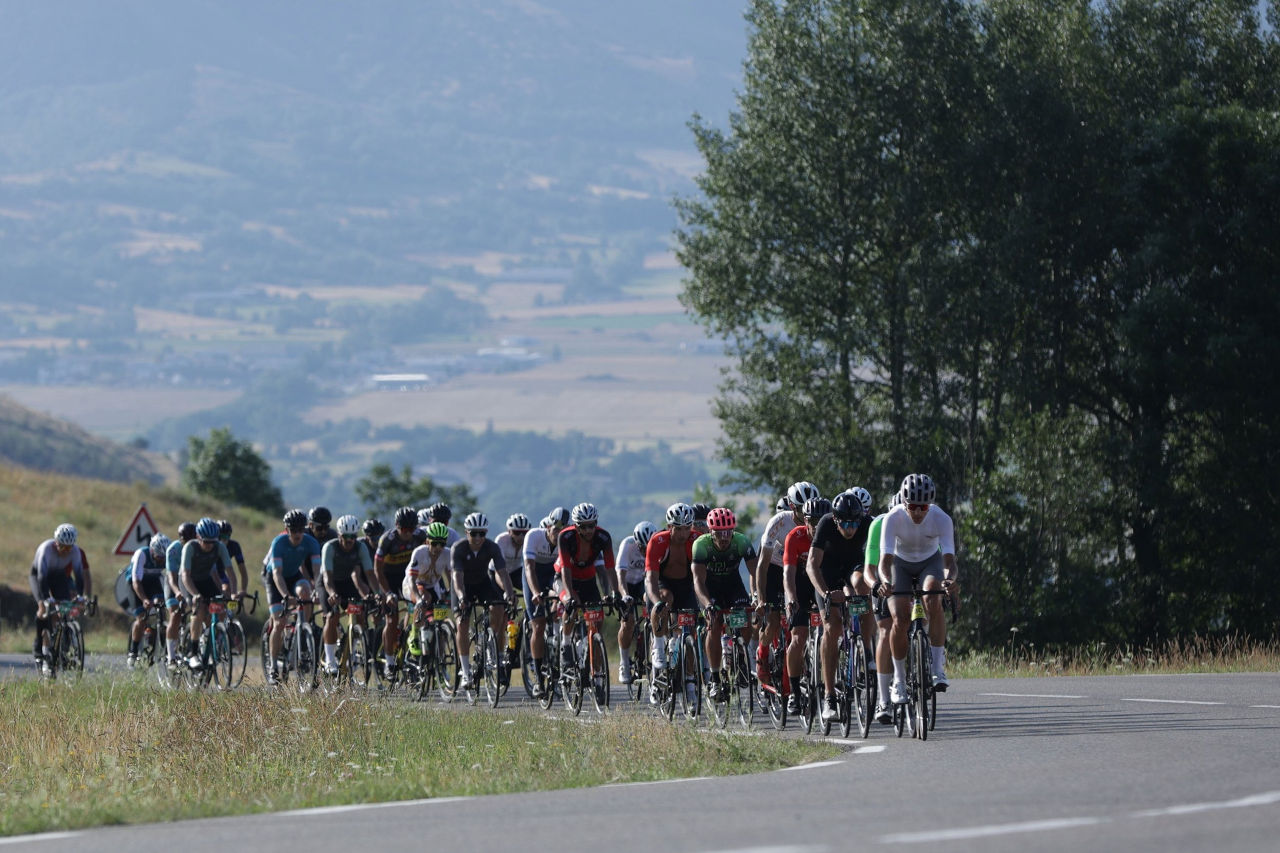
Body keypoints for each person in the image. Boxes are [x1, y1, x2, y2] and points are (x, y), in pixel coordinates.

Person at [878, 473, 959, 704]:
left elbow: (949, 561)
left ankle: (937, 668)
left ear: (930, 504)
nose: (917, 513)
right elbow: (884, 562)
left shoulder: (941, 518)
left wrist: (949, 580)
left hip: (929, 562)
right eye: (912, 506)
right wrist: (885, 581)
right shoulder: (892, 518)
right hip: (900, 564)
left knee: (934, 598)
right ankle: (900, 681)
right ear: (904, 503)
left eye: (923, 507)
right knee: (900, 618)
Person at [807, 491, 872, 722]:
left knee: (863, 587)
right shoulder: (825, 524)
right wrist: (825, 593)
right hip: (828, 571)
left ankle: (866, 652)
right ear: (835, 520)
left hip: (854, 566)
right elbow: (812, 565)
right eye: (845, 523)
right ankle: (829, 695)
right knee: (832, 627)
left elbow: (878, 558)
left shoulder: (868, 523)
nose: (851, 528)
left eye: (855, 522)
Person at [754, 481, 819, 688]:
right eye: (801, 509)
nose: (806, 513)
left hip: (801, 569)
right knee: (773, 620)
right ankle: (762, 653)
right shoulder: (779, 522)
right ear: (792, 507)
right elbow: (762, 565)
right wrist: (761, 598)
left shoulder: (817, 520)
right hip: (774, 569)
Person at [691, 507, 758, 700]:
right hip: (709, 589)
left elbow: (756, 572)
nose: (724, 537)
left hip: (732, 586)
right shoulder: (701, 545)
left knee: (745, 618)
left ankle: (740, 653)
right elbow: (698, 581)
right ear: (710, 531)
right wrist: (707, 605)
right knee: (714, 624)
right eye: (719, 533)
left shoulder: (741, 542)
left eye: (728, 532)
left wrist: (757, 596)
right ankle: (714, 677)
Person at [553, 503, 619, 677]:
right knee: (571, 605)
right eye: (584, 527)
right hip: (565, 578)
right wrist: (570, 596)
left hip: (587, 580)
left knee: (597, 619)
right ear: (576, 526)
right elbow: (565, 569)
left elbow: (610, 568)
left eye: (592, 525)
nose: (589, 530)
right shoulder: (565, 537)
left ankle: (591, 649)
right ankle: (566, 644)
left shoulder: (603, 537)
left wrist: (614, 593)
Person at [451, 512, 515, 690]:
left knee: (500, 608)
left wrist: (509, 594)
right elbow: (457, 576)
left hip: (482, 583)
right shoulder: (459, 548)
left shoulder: (492, 547)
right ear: (466, 533)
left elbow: (502, 572)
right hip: (462, 586)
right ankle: (465, 672)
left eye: (482, 533)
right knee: (462, 623)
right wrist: (462, 597)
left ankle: (490, 643)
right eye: (474, 533)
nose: (478, 538)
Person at [643, 502, 698, 704]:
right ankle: (658, 646)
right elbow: (649, 578)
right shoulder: (658, 542)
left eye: (687, 528)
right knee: (664, 600)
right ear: (669, 527)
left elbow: (702, 575)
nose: (683, 533)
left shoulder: (695, 540)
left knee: (689, 632)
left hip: (686, 585)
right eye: (678, 529)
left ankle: (690, 681)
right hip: (662, 582)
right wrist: (656, 602)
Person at [782, 496, 830, 716]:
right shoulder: (795, 536)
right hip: (800, 586)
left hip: (821, 583)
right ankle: (794, 692)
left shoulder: (831, 535)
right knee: (798, 638)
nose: (815, 526)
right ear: (804, 519)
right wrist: (791, 598)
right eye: (812, 521)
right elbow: (788, 572)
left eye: (821, 521)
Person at [265, 509, 322, 683]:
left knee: (306, 592)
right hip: (275, 579)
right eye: (293, 530)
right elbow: (277, 574)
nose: (297, 534)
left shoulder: (311, 543)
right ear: (286, 529)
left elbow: (317, 572)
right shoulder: (279, 542)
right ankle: (273, 665)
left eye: (300, 530)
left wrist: (317, 592)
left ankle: (302, 629)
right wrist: (285, 595)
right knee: (279, 621)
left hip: (294, 576)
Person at [318, 514, 376, 676]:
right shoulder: (330, 547)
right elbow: (327, 578)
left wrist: (377, 594)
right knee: (332, 615)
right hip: (327, 583)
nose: (349, 540)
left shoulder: (360, 547)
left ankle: (351, 645)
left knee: (361, 612)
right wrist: (332, 594)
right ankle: (330, 660)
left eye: (353, 537)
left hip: (346, 582)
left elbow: (370, 574)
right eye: (346, 537)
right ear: (339, 535)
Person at [522, 507, 569, 697]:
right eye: (556, 530)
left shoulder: (566, 542)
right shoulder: (533, 536)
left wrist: (564, 597)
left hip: (553, 576)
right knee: (539, 625)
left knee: (564, 600)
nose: (558, 535)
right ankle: (539, 681)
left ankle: (560, 652)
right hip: (533, 577)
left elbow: (565, 573)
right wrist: (535, 592)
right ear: (548, 527)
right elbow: (528, 568)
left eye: (562, 531)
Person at [863, 492, 901, 723]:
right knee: (885, 632)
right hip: (885, 579)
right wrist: (876, 585)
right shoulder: (879, 525)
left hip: (910, 576)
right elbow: (871, 566)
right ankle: (883, 700)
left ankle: (924, 648)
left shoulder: (922, 523)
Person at [30, 523, 87, 676]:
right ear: (56, 543)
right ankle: (41, 648)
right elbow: (42, 577)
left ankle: (63, 644)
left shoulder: (75, 552)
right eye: (63, 547)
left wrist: (80, 596)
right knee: (44, 609)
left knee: (65, 609)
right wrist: (47, 599)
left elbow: (79, 576)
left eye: (69, 548)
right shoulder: (46, 549)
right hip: (39, 577)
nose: (65, 551)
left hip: (59, 577)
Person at [374, 506, 425, 677]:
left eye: (411, 529)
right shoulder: (387, 540)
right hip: (388, 579)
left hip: (407, 577)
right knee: (391, 619)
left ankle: (406, 640)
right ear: (397, 526)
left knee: (416, 609)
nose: (408, 534)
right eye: (404, 529)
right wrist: (387, 593)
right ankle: (389, 662)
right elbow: (378, 571)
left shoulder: (420, 536)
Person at [179, 518, 235, 669]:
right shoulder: (190, 547)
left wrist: (233, 594)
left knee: (221, 607)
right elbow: (185, 575)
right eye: (206, 542)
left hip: (205, 579)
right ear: (198, 538)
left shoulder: (219, 547)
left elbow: (231, 572)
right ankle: (193, 652)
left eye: (212, 542)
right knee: (200, 609)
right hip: (188, 581)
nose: (209, 545)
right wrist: (196, 595)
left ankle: (210, 641)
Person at [614, 520, 656, 685]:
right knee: (628, 622)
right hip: (626, 584)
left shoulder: (656, 546)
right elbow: (620, 575)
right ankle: (624, 663)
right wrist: (624, 595)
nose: (645, 551)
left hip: (643, 583)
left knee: (651, 606)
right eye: (642, 548)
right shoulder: (628, 544)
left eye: (648, 548)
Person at [404, 521, 452, 658]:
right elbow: (412, 580)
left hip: (432, 586)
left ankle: (440, 663)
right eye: (434, 543)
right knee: (425, 598)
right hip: (412, 584)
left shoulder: (447, 554)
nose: (438, 547)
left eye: (442, 544)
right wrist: (418, 598)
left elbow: (451, 579)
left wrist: (450, 595)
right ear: (427, 541)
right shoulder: (419, 552)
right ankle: (414, 633)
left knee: (441, 618)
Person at [127, 533, 170, 667]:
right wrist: (144, 599)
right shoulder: (142, 554)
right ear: (152, 551)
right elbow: (136, 582)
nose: (160, 561)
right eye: (158, 557)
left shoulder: (166, 557)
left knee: (161, 608)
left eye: (163, 559)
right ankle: (133, 651)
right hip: (136, 584)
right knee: (141, 617)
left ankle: (158, 636)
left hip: (153, 582)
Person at [164, 522, 198, 667]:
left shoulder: (197, 547)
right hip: (173, 583)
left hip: (189, 580)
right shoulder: (173, 549)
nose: (189, 542)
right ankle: (171, 657)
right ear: (180, 538)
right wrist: (177, 592)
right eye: (186, 539)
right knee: (175, 614)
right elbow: (171, 577)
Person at [218, 520, 249, 601]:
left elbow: (243, 571)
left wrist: (243, 590)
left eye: (226, 537)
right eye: (220, 537)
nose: (222, 540)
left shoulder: (234, 546)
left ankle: (226, 611)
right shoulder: (211, 545)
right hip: (208, 573)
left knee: (228, 590)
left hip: (221, 573)